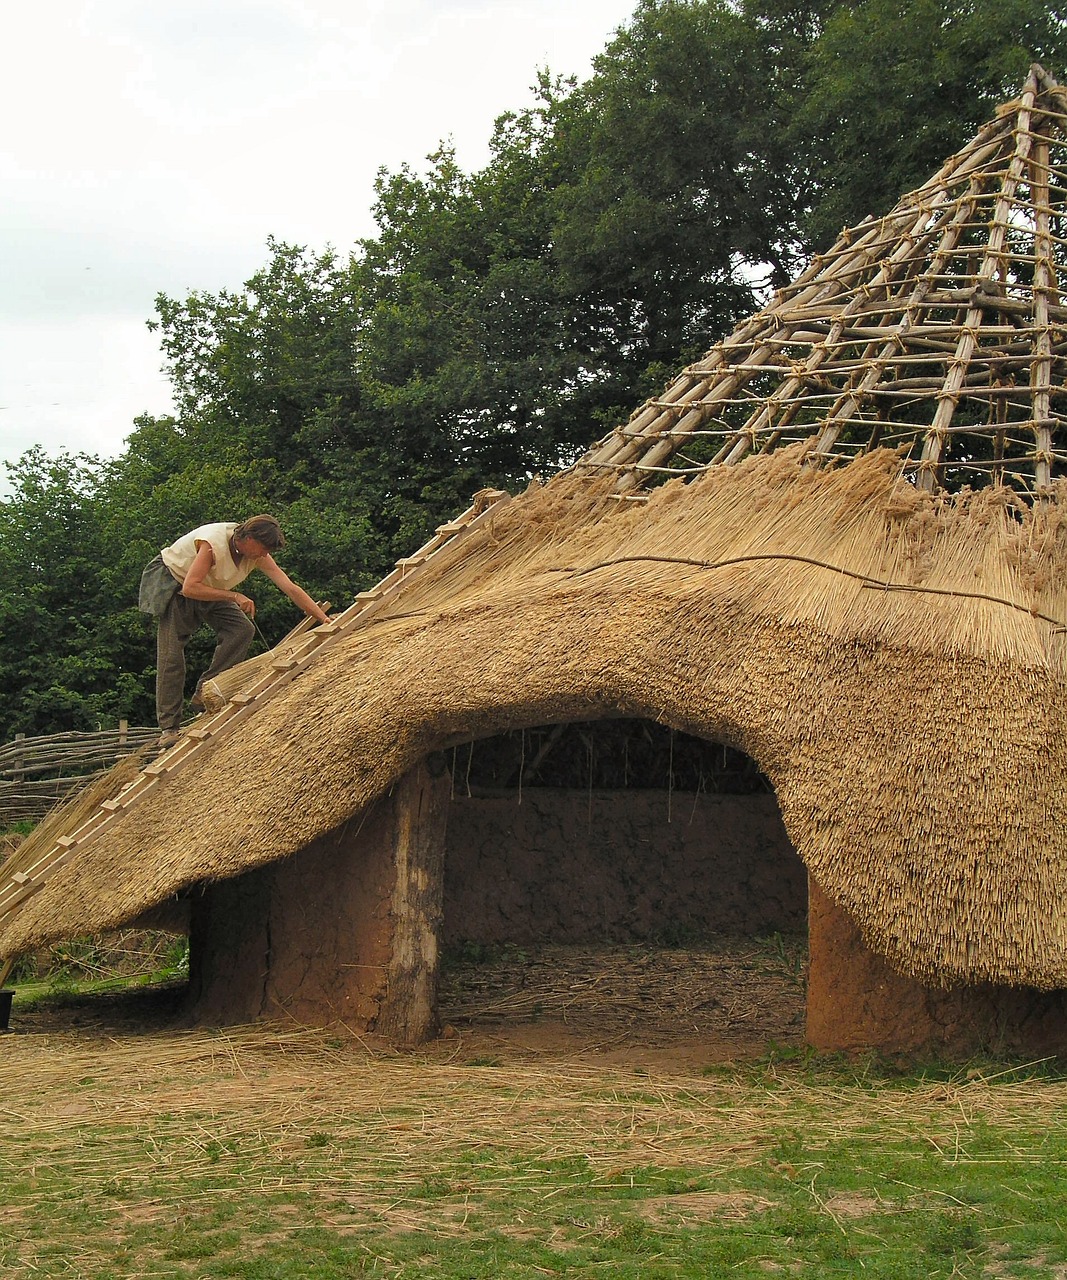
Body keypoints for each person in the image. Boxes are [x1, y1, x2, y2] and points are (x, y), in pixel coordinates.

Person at [138, 515, 330, 749]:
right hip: (177, 583)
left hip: (210, 587)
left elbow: (289, 586)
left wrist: (323, 619)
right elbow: (190, 587)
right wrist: (234, 596)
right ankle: (169, 727)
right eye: (263, 548)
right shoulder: (212, 544)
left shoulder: (257, 554)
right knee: (172, 656)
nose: (264, 554)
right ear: (248, 538)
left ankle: (206, 691)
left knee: (241, 630)